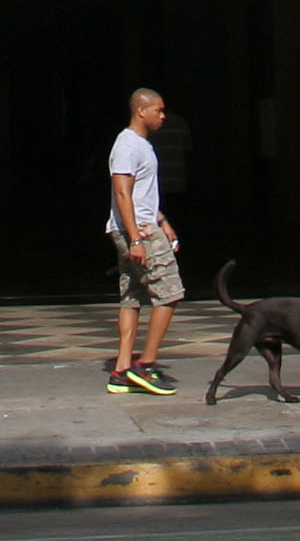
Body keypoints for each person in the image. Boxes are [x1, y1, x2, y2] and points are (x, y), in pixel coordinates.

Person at [103, 88, 182, 394]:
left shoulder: (141, 145)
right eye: (159, 111)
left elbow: (141, 194)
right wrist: (136, 237)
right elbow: (122, 193)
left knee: (132, 297)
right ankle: (146, 364)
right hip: (140, 233)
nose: (163, 116)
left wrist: (163, 220)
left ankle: (122, 369)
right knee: (170, 292)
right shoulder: (127, 146)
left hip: (144, 226)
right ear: (141, 111)